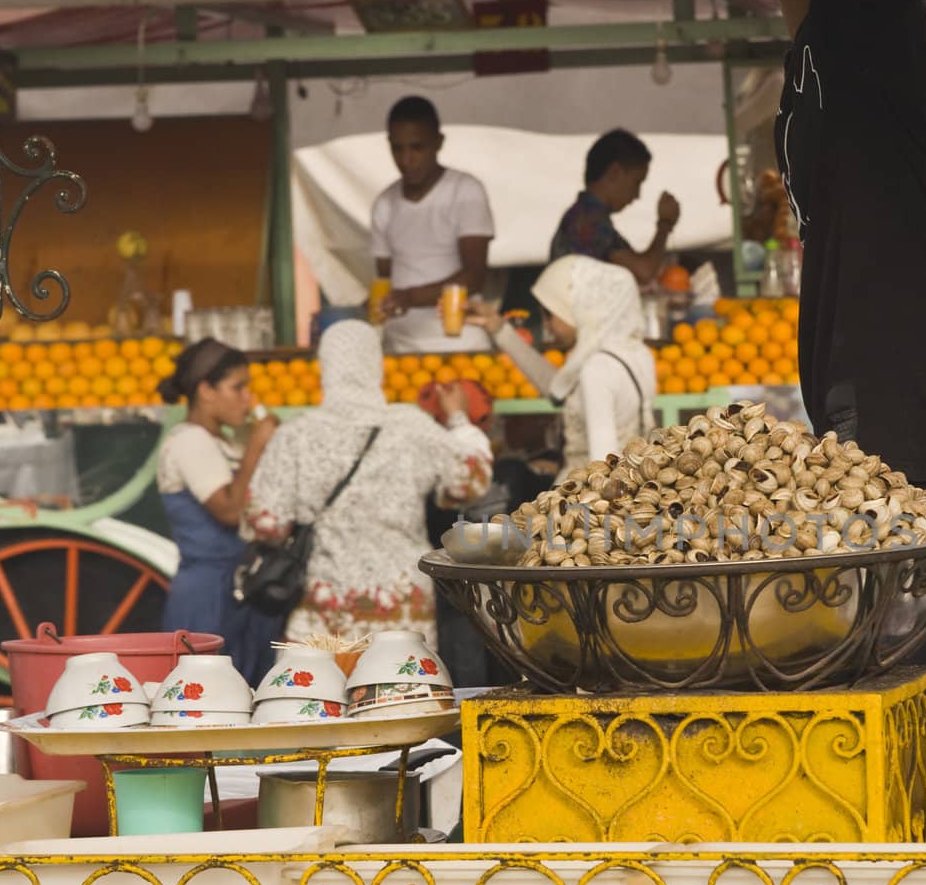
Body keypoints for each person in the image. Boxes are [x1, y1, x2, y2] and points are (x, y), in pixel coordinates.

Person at [773, 0, 926, 725]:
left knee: (883, 699)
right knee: (889, 694)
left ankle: (920, 836)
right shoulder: (820, 54)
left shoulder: (877, 31)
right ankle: (924, 831)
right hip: (884, 450)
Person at [246, 320, 493, 644]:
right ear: (377, 367)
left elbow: (266, 524)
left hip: (323, 617)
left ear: (325, 369)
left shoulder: (295, 434)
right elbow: (471, 482)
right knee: (400, 694)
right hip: (402, 615)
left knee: (321, 694)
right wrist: (459, 420)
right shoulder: (410, 426)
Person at [155, 338, 283, 684]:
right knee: (210, 694)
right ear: (206, 391)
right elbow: (228, 510)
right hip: (210, 594)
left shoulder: (224, 441)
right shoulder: (188, 441)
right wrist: (257, 445)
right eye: (237, 387)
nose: (248, 398)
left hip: (242, 590)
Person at [467, 255, 656, 479]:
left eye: (550, 314)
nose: (546, 326)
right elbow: (559, 388)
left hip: (587, 498)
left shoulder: (597, 369)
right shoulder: (636, 352)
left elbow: (602, 465)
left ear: (579, 307)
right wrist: (500, 330)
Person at [372, 96, 496, 356]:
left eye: (417, 148)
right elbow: (385, 277)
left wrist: (410, 297)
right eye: (398, 149)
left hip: (461, 344)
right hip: (399, 347)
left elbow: (474, 276)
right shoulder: (384, 203)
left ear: (439, 142)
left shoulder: (465, 191)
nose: (407, 159)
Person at [548, 129, 680, 286]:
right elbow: (644, 272)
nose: (637, 195)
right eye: (636, 182)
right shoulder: (589, 220)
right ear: (614, 173)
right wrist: (664, 224)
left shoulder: (588, 215)